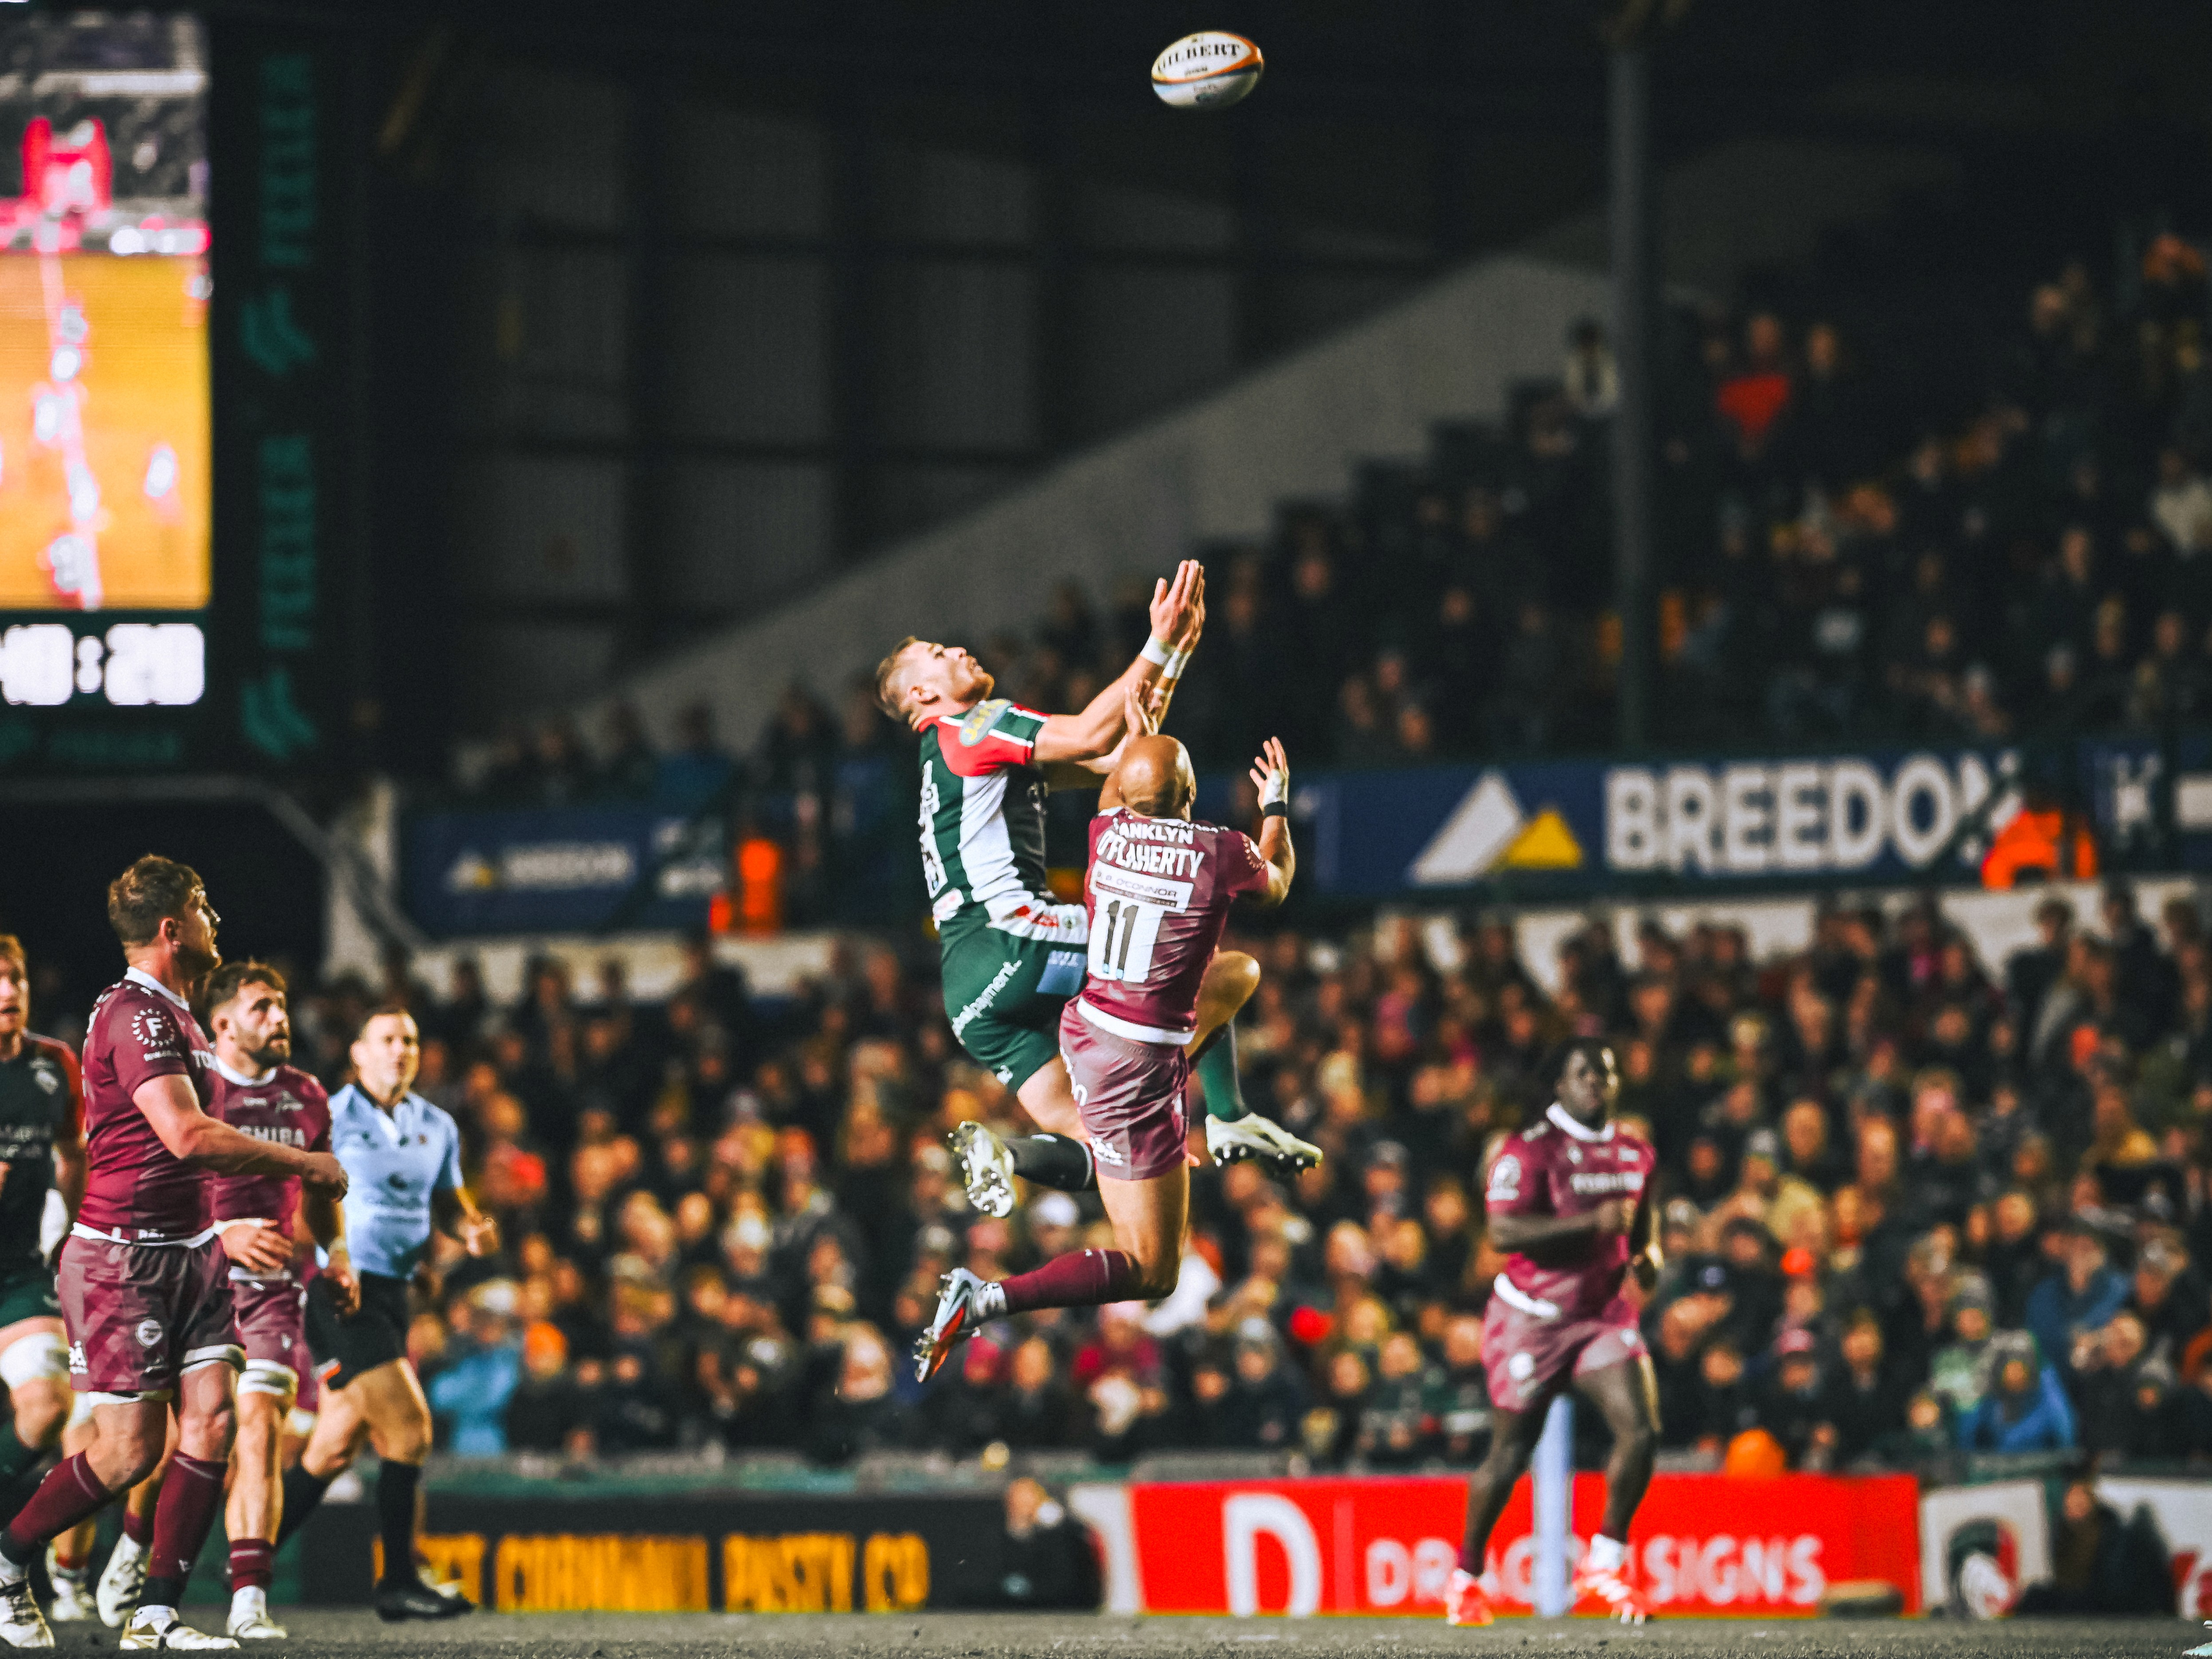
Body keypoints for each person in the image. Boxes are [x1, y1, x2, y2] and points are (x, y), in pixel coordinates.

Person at [874, 561, 1318, 1222]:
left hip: (970, 996)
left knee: (1107, 1145)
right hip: (1016, 941)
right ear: (920, 695)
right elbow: (1091, 731)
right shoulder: (972, 726)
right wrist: (1157, 644)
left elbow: (1125, 763)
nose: (957, 649)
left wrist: (1176, 654)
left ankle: (1011, 1156)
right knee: (1189, 948)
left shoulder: (959, 758)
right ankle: (1227, 1114)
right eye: (938, 655)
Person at [0, 856, 347, 1652]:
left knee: (213, 1424)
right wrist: (303, 1165)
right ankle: (10, 1557)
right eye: (203, 906)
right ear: (171, 928)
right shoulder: (137, 1015)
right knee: (129, 1452)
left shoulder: (182, 1015)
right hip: (125, 1257)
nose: (214, 918)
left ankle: (155, 1614)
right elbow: (188, 1138)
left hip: (189, 1252)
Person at [914, 717, 1296, 1379]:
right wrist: (1275, 807)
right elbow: (1280, 880)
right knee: (1152, 1269)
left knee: (1232, 976)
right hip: (1140, 1065)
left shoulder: (1107, 832)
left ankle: (1226, 1114)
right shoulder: (1220, 850)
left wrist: (1131, 750)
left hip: (1089, 1026)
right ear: (1191, 791)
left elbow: (1115, 794)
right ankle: (986, 1297)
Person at [267, 1008, 494, 1621]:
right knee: (410, 1428)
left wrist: (466, 1229)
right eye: (387, 1039)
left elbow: (447, 1201)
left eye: (410, 1040)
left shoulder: (437, 1125)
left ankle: (248, 1569)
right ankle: (398, 1580)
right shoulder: (331, 1116)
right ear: (359, 1054)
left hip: (395, 1293)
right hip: (343, 1289)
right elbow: (297, 1199)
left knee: (334, 1446)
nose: (401, 1049)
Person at [1447, 1040, 1661, 1627]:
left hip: (1601, 1315)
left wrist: (1649, 1254)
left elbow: (1644, 1221)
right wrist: (1589, 1222)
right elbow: (1502, 1230)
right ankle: (1466, 1576)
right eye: (1583, 1073)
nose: (1596, 1082)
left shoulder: (1634, 1151)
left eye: (1605, 1073)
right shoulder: (1529, 1150)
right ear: (1560, 1085)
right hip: (1531, 1318)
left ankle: (1604, 1562)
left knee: (1640, 1432)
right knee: (1510, 1453)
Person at [199, 963, 355, 1640]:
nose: (280, 1018)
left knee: (259, 1425)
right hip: (188, 1280)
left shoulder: (308, 1095)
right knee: (157, 1445)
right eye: (263, 1007)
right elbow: (135, 1190)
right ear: (223, 1024)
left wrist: (336, 1253)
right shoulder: (188, 1088)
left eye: (282, 1005)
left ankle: (249, 1601)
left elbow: (321, 1193)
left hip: (270, 1292)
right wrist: (222, 1234)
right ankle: (122, 1561)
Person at [0, 942, 88, 1615]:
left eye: (16, 978)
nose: (8, 991)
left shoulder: (56, 1064)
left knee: (49, 1406)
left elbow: (70, 1151)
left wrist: (72, 1234)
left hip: (21, 1273)